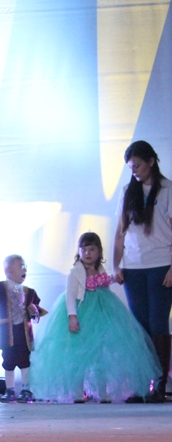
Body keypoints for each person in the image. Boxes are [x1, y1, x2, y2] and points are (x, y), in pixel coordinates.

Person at [30, 232, 159, 403]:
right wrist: (72, 316)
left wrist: (112, 283)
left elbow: (104, 287)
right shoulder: (75, 271)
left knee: (99, 353)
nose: (87, 253)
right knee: (79, 354)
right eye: (84, 250)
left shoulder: (99, 269)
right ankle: (77, 392)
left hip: (99, 312)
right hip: (82, 312)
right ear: (79, 251)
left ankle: (102, 392)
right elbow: (70, 296)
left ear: (99, 252)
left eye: (92, 249)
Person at [113, 140, 172, 403]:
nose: (134, 171)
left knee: (158, 324)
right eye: (130, 167)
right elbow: (119, 232)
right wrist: (116, 265)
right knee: (139, 327)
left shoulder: (168, 189)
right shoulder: (128, 191)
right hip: (133, 267)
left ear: (151, 161)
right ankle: (140, 384)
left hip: (161, 264)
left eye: (137, 165)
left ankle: (159, 386)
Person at [0, 255, 46, 403]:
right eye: (21, 266)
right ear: (9, 269)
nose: (25, 269)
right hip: (6, 332)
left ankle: (26, 390)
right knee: (8, 360)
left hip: (24, 332)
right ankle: (9, 390)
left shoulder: (30, 292)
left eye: (25, 266)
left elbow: (37, 313)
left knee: (25, 360)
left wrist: (34, 310)